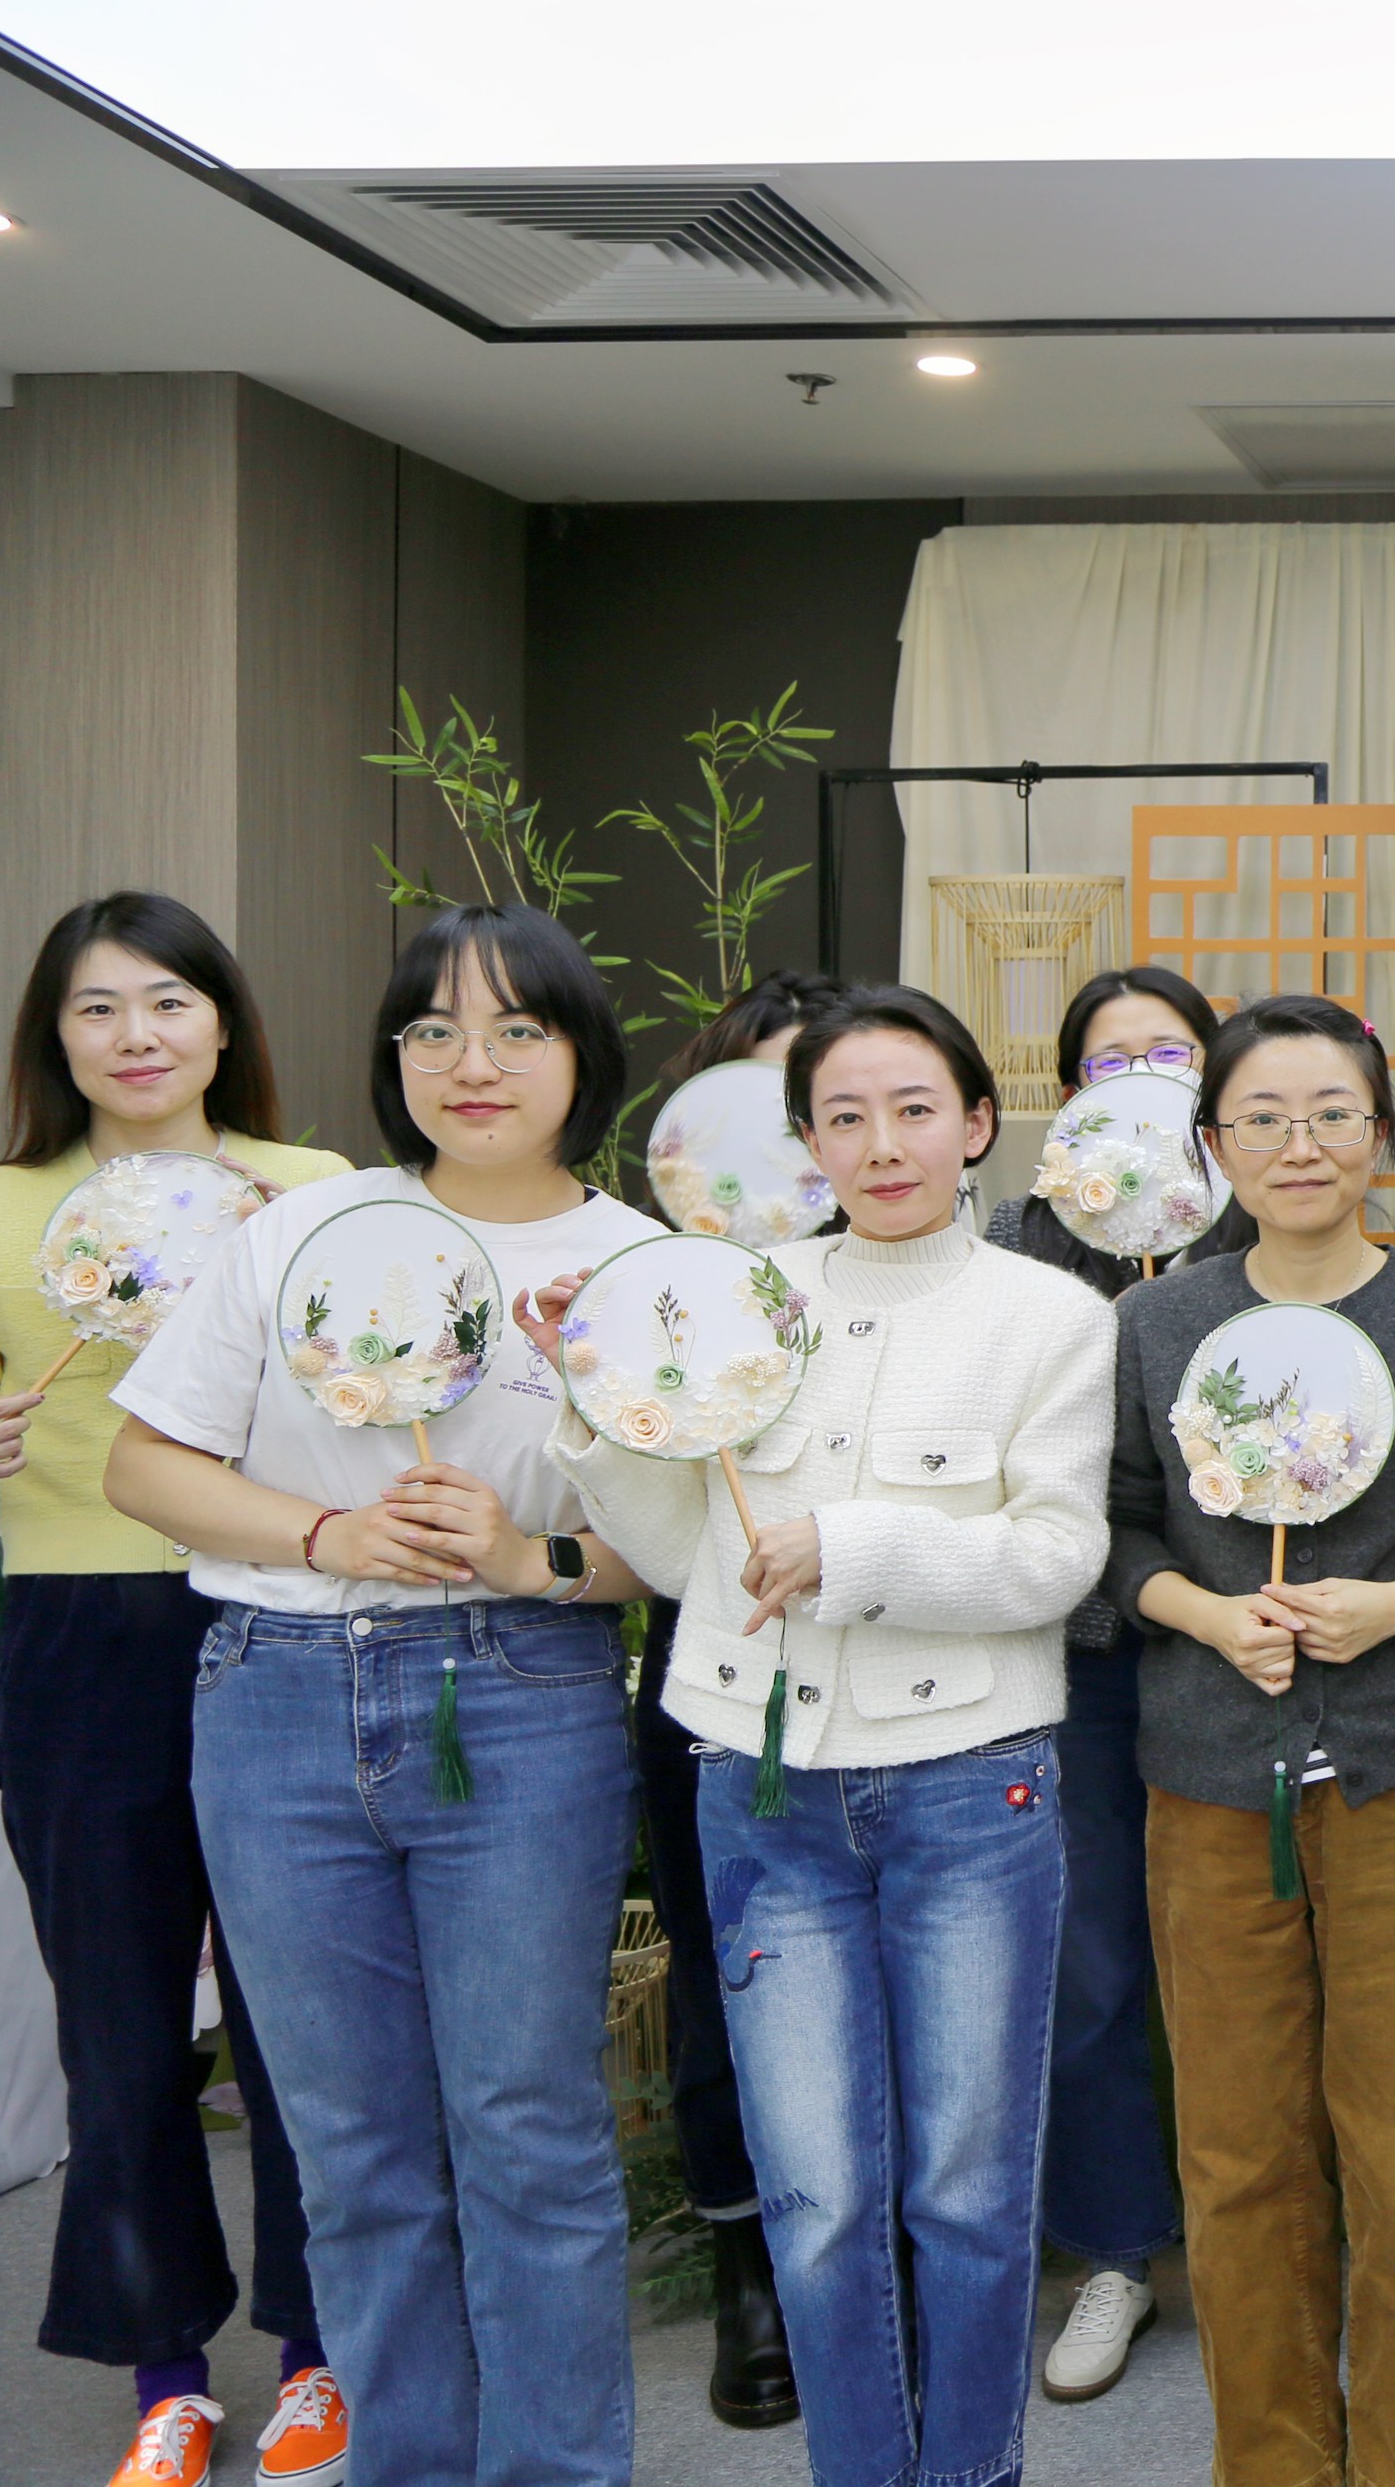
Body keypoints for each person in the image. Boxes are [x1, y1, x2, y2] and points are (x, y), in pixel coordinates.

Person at [104, 904, 657, 2487]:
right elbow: (145, 1463)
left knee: (529, 2131)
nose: (471, 1062)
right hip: (276, 1692)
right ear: (392, 1054)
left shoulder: (640, 1268)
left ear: (580, 1053)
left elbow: (687, 1543)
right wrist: (327, 1531)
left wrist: (532, 1552)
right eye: (433, 1029)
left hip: (521, 1697)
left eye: (516, 1029)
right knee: (350, 2150)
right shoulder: (304, 1230)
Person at [537, 985, 1117, 2487]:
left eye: (914, 1109)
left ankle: (969, 2472)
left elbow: (1057, 1557)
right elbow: (686, 1552)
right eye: (844, 1117)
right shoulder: (742, 1300)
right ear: (806, 1142)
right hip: (763, 1782)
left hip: (970, 1789)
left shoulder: (1050, 1316)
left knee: (968, 2193)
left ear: (977, 1123)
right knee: (817, 2200)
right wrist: (598, 1403)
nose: (882, 1144)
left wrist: (852, 1548)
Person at [1111, 995, 1395, 2487]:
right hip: (1209, 1781)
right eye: (1263, 1118)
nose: (1300, 1145)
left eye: (1333, 1114)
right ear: (1213, 1143)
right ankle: (1276, 2465)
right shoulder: (1157, 1322)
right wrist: (1207, 1614)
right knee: (1237, 2159)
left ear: (1383, 1134)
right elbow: (1118, 1534)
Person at [0, 896, 351, 2487]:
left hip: (276, 1609)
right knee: (122, 2024)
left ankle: (319, 2348)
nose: (135, 1034)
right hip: (71, 1629)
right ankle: (166, 2371)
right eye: (97, 1007)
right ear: (54, 1035)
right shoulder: (6, 1204)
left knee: (302, 2010)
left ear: (221, 1021)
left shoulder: (312, 1190)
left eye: (166, 1001)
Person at [981, 962, 1219, 2399]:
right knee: (1093, 1964)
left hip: (1238, 1651)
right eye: (1111, 1059)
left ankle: (1269, 2234)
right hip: (1074, 1655)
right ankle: (1117, 2251)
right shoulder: (1014, 1242)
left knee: (1255, 1956)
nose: (1143, 1081)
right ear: (1070, 1091)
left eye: (1171, 1054)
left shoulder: (1262, 1216)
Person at [630, 965, 843, 2431]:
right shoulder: (654, 1284)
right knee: (728, 1962)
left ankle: (871, 2258)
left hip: (895, 1660)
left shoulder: (937, 1272)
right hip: (713, 1666)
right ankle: (748, 2271)